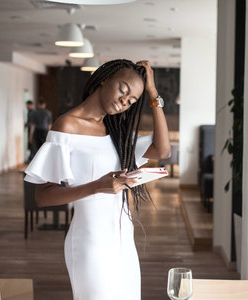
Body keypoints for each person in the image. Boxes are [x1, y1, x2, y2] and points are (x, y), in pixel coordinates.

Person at [23, 59, 171, 299]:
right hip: (90, 242)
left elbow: (162, 151)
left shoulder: (116, 133)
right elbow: (42, 195)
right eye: (123, 90)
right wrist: (97, 186)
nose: (125, 102)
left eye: (132, 100)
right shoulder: (66, 126)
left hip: (123, 239)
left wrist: (153, 93)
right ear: (104, 79)